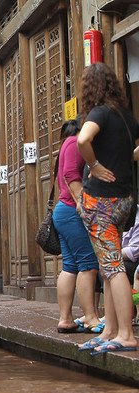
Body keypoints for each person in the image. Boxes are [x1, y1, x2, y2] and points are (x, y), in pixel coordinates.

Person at [76, 63, 139, 354]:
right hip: (125, 200)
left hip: (101, 201)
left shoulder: (99, 113)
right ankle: (110, 331)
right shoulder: (126, 117)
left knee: (113, 269)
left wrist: (95, 165)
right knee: (109, 267)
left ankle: (125, 333)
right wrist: (125, 159)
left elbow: (82, 139)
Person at [51, 119, 101, 335]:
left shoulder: (66, 144)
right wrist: (84, 206)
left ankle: (65, 319)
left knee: (71, 265)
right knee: (88, 263)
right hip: (72, 211)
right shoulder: (74, 143)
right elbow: (71, 174)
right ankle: (90, 317)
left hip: (64, 211)